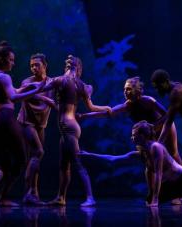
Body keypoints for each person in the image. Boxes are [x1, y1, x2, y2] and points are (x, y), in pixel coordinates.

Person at [0, 41, 45, 207]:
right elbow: (13, 98)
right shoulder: (5, 76)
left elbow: (12, 91)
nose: (13, 63)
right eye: (10, 59)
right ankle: (2, 197)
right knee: (22, 159)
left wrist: (27, 87)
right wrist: (37, 90)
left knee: (4, 163)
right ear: (1, 59)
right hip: (5, 119)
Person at [43, 55, 111, 206]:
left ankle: (90, 198)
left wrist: (19, 91)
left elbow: (41, 88)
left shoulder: (60, 80)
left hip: (69, 127)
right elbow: (92, 107)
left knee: (77, 163)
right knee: (63, 165)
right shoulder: (80, 85)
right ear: (78, 68)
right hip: (67, 129)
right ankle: (61, 197)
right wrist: (104, 109)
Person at [80, 76, 182, 164]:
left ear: (137, 90)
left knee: (173, 154)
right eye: (124, 89)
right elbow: (107, 113)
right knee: (154, 159)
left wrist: (154, 126)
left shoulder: (148, 101)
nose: (125, 92)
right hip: (150, 133)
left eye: (128, 89)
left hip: (164, 126)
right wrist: (83, 116)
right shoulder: (127, 106)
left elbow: (168, 115)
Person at [17, 53, 56, 205]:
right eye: (32, 65)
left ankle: (35, 192)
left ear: (45, 66)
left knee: (36, 159)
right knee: (37, 153)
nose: (34, 68)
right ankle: (28, 193)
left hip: (41, 124)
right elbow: (23, 94)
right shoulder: (27, 82)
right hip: (26, 122)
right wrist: (45, 98)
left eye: (37, 65)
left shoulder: (51, 82)